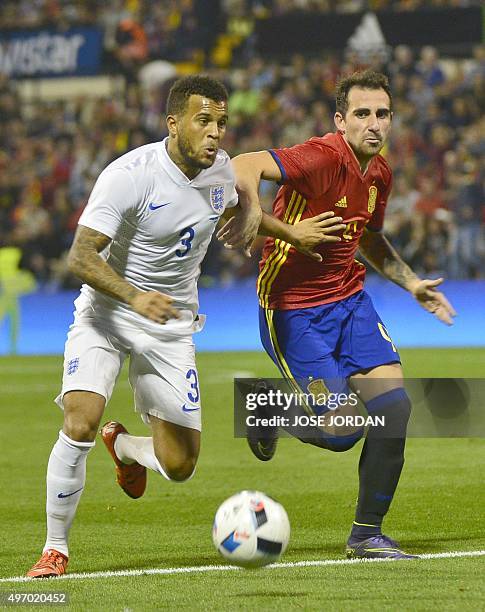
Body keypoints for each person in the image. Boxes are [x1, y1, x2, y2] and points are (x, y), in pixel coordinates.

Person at [26, 75, 259, 578]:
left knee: (179, 466)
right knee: (80, 419)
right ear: (173, 124)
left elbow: (240, 193)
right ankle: (54, 547)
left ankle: (126, 447)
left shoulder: (219, 174)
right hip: (107, 313)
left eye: (221, 122)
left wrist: (262, 216)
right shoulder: (129, 174)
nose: (215, 133)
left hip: (170, 327)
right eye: (203, 121)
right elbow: (81, 256)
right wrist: (133, 295)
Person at [221, 70, 456, 560]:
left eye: (382, 114)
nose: (374, 124)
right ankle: (266, 408)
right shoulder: (319, 157)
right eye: (362, 114)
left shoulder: (380, 174)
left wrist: (411, 282)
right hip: (294, 313)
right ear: (340, 120)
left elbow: (368, 236)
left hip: (350, 305)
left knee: (394, 410)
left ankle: (366, 535)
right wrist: (282, 229)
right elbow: (243, 163)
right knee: (344, 430)